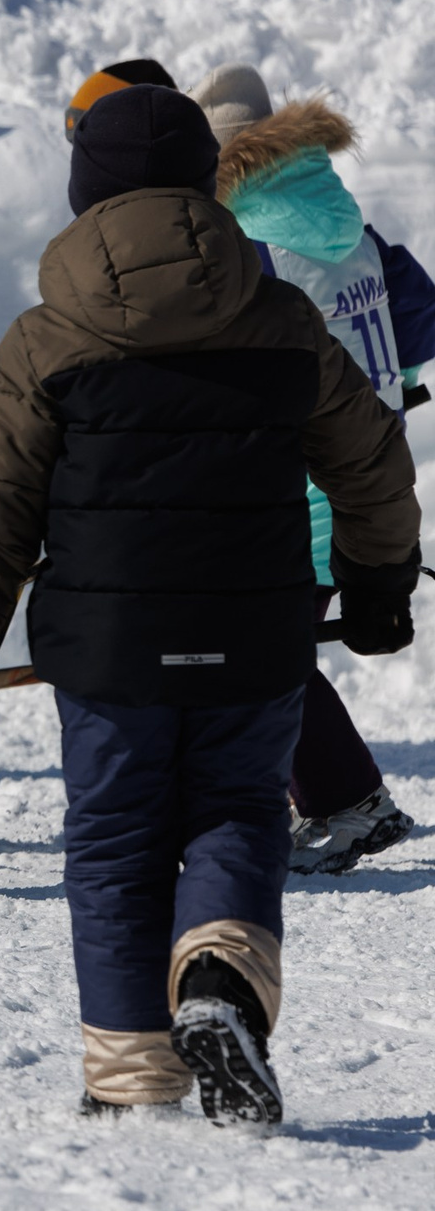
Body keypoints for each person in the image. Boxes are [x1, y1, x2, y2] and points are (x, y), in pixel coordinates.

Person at [0, 86, 420, 1126]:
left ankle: (131, 1079)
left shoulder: (43, 339)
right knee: (236, 815)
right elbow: (371, 462)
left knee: (116, 839)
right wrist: (378, 583)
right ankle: (217, 976)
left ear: (83, 196)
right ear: (203, 184)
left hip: (108, 652)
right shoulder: (281, 321)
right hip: (253, 636)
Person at [192, 63, 434, 874]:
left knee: (259, 651)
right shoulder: (346, 223)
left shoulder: (239, 244)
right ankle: (335, 799)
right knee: (271, 646)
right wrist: (389, 373)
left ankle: (349, 803)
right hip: (367, 477)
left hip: (289, 488)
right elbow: (420, 315)